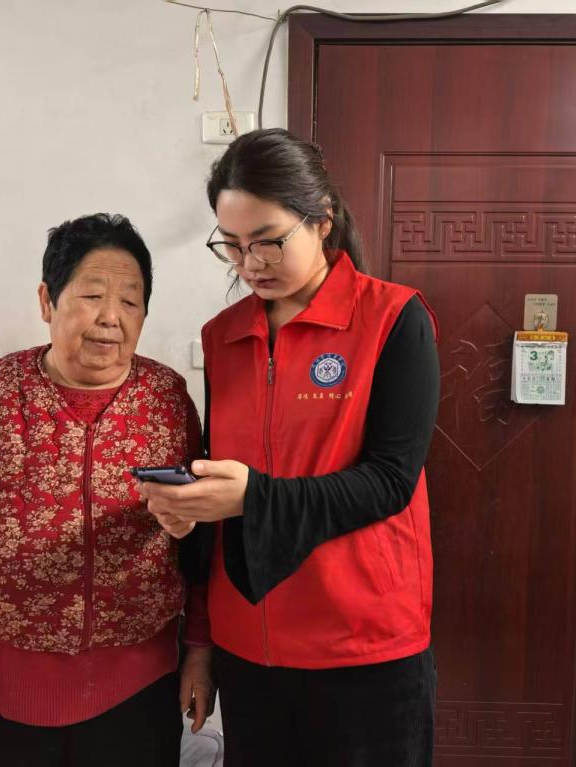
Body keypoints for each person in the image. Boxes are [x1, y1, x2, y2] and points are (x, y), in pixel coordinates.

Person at [139, 129, 441, 767]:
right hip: (250, 645)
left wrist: (253, 496)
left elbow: (390, 481)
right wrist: (187, 508)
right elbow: (223, 489)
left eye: (269, 240)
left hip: (363, 645)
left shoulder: (393, 319)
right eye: (232, 245)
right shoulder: (223, 337)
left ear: (322, 220)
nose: (251, 263)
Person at [0, 213, 213, 767]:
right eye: (92, 296)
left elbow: (204, 544)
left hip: (139, 685)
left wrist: (200, 649)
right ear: (47, 301)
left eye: (131, 301)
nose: (110, 318)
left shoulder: (167, 400)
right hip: (3, 689)